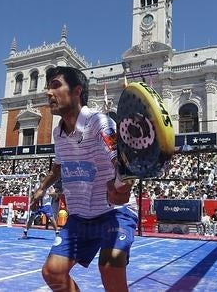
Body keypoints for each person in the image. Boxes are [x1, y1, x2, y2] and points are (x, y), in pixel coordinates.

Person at [31, 66, 138, 291]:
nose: (48, 93)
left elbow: (119, 160)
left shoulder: (99, 122)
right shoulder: (58, 133)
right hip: (81, 217)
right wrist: (42, 188)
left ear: (77, 91)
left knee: (110, 268)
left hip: (114, 212)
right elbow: (58, 166)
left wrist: (121, 185)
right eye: (48, 87)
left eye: (56, 85)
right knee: (52, 272)